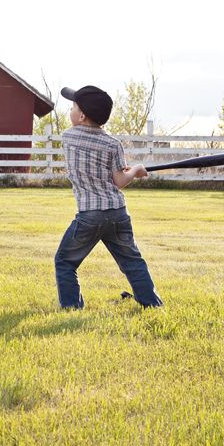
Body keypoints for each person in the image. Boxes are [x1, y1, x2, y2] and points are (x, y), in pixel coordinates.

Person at [54, 84, 163, 309]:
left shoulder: (68, 138)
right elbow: (119, 181)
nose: (70, 111)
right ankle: (152, 304)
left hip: (89, 215)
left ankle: (72, 308)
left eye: (73, 107)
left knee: (65, 261)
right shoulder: (113, 144)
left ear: (82, 115)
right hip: (117, 213)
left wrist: (130, 170)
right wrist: (136, 170)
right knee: (132, 262)